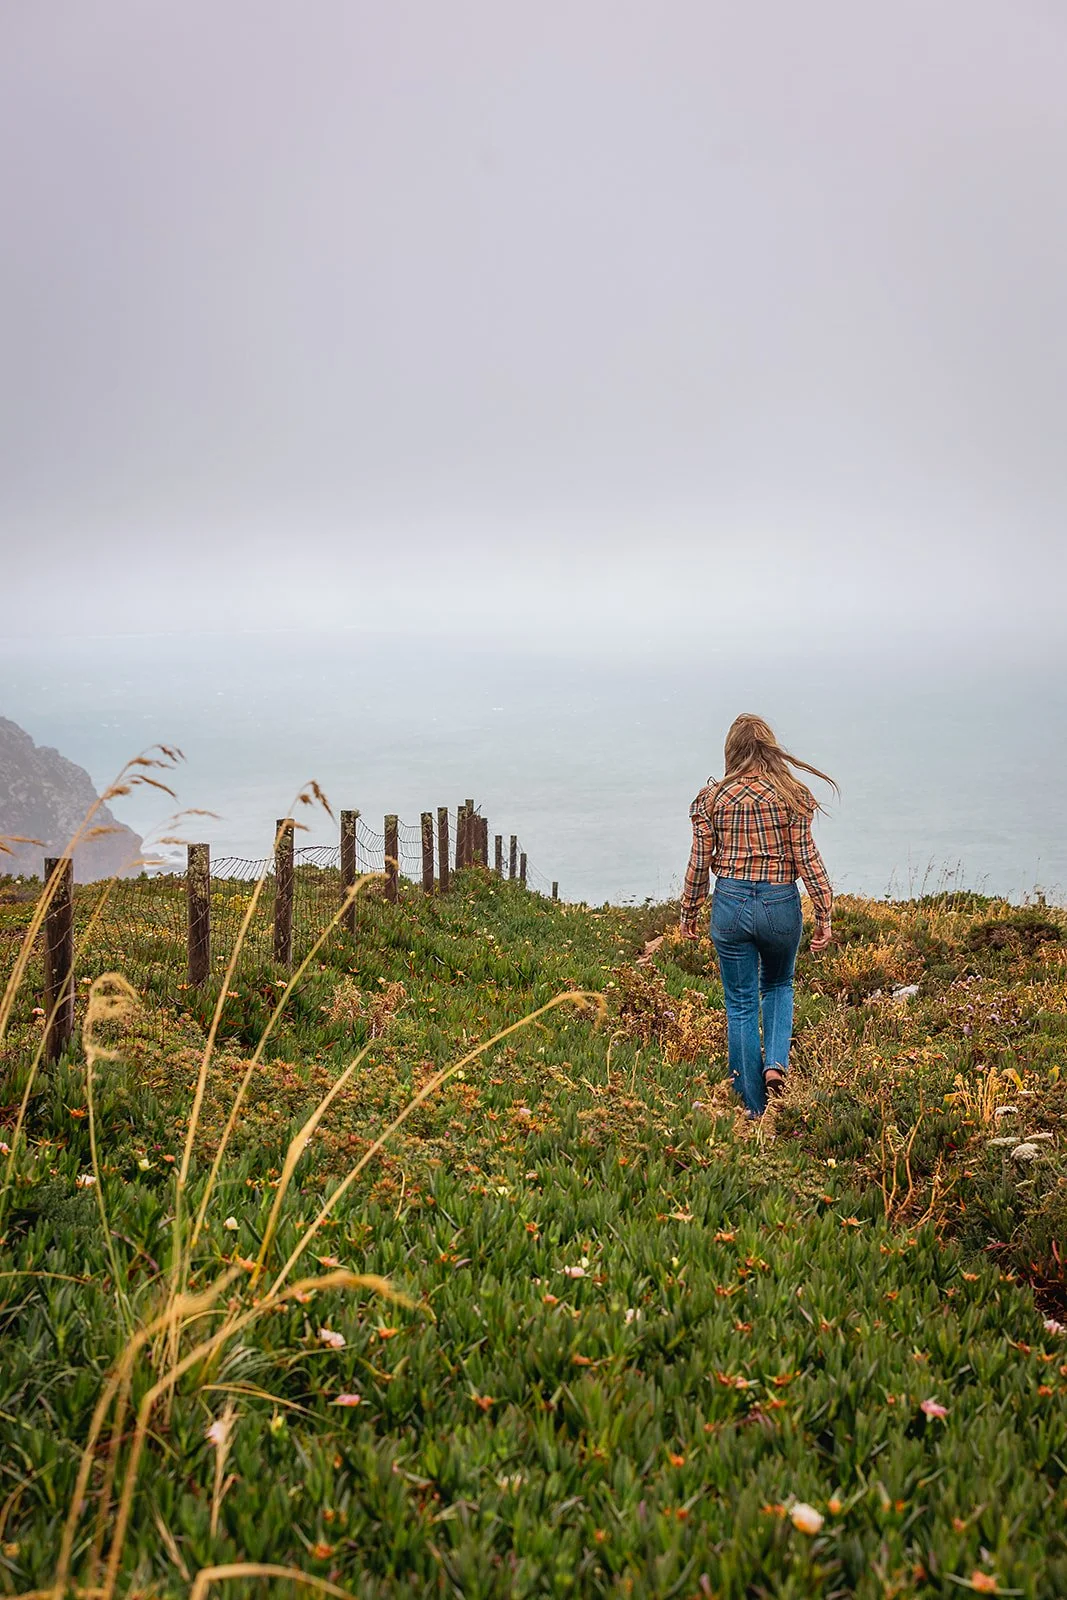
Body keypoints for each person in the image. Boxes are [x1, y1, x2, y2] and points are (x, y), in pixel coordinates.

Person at [679, 714, 835, 1117]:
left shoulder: (710, 800)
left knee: (741, 1003)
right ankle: (775, 1064)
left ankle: (752, 1108)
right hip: (780, 902)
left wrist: (688, 913)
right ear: (768, 747)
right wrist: (824, 912)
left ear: (731, 750)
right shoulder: (793, 795)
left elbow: (699, 864)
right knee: (780, 984)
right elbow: (807, 859)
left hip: (730, 903)